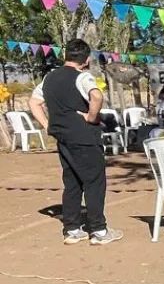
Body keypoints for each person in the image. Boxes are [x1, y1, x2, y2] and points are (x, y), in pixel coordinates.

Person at [27, 39, 123, 245]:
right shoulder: (83, 76)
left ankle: (72, 229)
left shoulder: (49, 78)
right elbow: (97, 96)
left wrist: (47, 125)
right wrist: (91, 117)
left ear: (65, 55)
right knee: (94, 182)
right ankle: (99, 230)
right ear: (86, 60)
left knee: (72, 183)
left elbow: (33, 102)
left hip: (63, 137)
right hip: (84, 137)